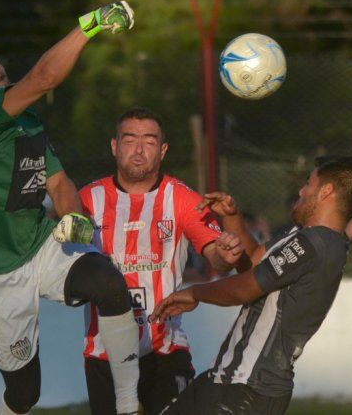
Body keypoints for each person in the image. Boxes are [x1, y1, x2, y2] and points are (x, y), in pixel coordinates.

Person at [0, 2, 144, 415]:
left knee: (107, 282)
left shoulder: (25, 120)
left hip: (38, 243)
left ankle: (128, 404)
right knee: (25, 395)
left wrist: (75, 217)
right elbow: (45, 77)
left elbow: (59, 183)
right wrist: (90, 25)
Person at [150, 155, 352, 415]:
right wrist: (232, 216)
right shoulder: (307, 237)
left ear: (326, 191)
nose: (301, 191)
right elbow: (252, 261)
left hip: (248, 389)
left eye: (308, 183)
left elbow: (244, 288)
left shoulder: (315, 244)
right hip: (229, 381)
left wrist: (194, 293)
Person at [78, 107, 245, 415]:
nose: (139, 149)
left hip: (165, 349)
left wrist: (226, 253)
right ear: (114, 146)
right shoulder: (87, 200)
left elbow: (217, 258)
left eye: (150, 141)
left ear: (163, 150)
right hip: (104, 353)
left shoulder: (182, 198)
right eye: (130, 139)